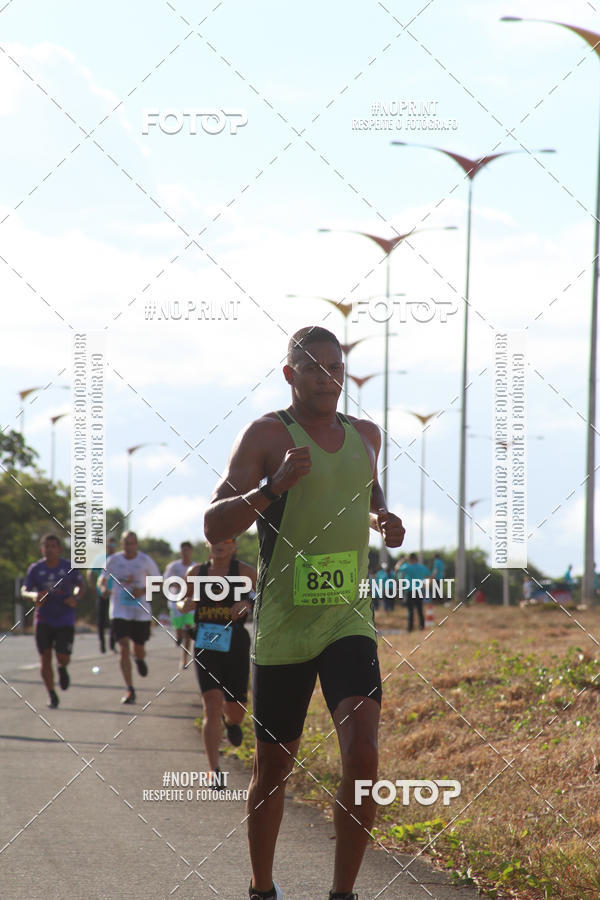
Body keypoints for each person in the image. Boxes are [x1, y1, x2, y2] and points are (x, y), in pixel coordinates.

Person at [204, 326, 405, 900]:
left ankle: (343, 893)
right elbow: (215, 524)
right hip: (285, 627)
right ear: (291, 374)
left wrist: (384, 520)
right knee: (273, 773)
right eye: (314, 368)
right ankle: (262, 888)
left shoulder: (367, 434)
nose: (327, 378)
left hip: (348, 620)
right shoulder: (267, 434)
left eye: (336, 367)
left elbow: (368, 496)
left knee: (363, 753)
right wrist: (272, 486)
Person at [179, 538, 255, 785]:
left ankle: (230, 722)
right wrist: (185, 604)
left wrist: (247, 603)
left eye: (227, 540)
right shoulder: (196, 572)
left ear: (234, 546)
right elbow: (180, 601)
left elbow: (266, 595)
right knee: (211, 703)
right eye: (214, 540)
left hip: (236, 642)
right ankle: (214, 770)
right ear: (207, 544)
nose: (220, 544)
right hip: (207, 640)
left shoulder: (244, 572)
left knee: (237, 709)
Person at [21, 534, 85, 708]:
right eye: (46, 546)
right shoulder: (36, 568)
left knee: (62, 656)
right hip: (43, 618)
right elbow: (24, 589)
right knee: (45, 657)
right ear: (42, 549)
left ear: (59, 549)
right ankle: (51, 694)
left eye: (53, 546)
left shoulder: (69, 567)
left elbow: (81, 585)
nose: (49, 549)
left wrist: (76, 598)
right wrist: (34, 595)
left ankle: (62, 668)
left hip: (65, 618)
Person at [97, 531, 160, 704]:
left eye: (132, 543)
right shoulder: (114, 560)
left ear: (137, 544)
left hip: (140, 611)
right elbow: (102, 579)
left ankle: (139, 658)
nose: (129, 546)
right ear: (122, 544)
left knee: (138, 648)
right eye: (126, 543)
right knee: (123, 647)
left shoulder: (145, 560)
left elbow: (158, 582)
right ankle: (129, 689)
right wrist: (102, 589)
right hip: (119, 610)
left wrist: (143, 590)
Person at [164, 541, 197, 669]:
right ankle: (178, 636)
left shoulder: (195, 567)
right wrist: (175, 584)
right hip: (175, 602)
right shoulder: (173, 566)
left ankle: (184, 659)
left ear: (191, 551)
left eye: (188, 550)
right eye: (183, 550)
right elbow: (166, 581)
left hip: (189, 602)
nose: (185, 552)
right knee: (179, 630)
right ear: (180, 551)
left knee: (188, 629)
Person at [88, 536, 118, 653]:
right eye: (109, 546)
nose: (111, 548)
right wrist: (93, 587)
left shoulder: (118, 559)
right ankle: (102, 644)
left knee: (113, 620)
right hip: (102, 593)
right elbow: (90, 572)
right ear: (106, 546)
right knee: (101, 620)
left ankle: (112, 644)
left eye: (113, 546)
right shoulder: (100, 558)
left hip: (115, 594)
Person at [397, 552, 431, 632]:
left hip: (410, 590)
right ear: (416, 558)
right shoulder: (422, 567)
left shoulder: (407, 566)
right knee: (419, 609)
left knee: (410, 610)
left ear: (410, 559)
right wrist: (426, 584)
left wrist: (402, 560)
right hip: (419, 590)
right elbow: (430, 575)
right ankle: (422, 627)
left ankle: (410, 628)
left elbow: (397, 567)